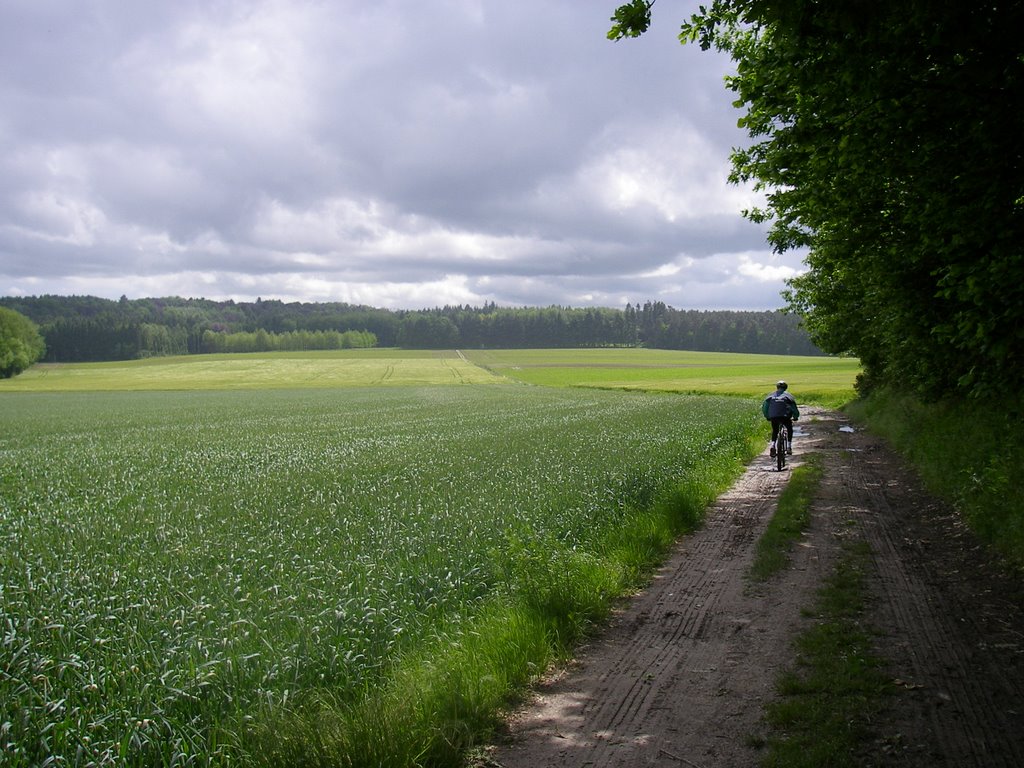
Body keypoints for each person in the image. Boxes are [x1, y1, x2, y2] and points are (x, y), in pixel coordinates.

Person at [762, 380, 799, 457]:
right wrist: (795, 417)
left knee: (775, 430)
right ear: (785, 388)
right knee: (789, 429)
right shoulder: (789, 396)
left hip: (774, 417)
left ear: (777, 387)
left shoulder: (770, 396)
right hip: (785, 417)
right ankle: (789, 446)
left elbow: (765, 408)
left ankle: (772, 446)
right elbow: (794, 409)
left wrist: (767, 416)